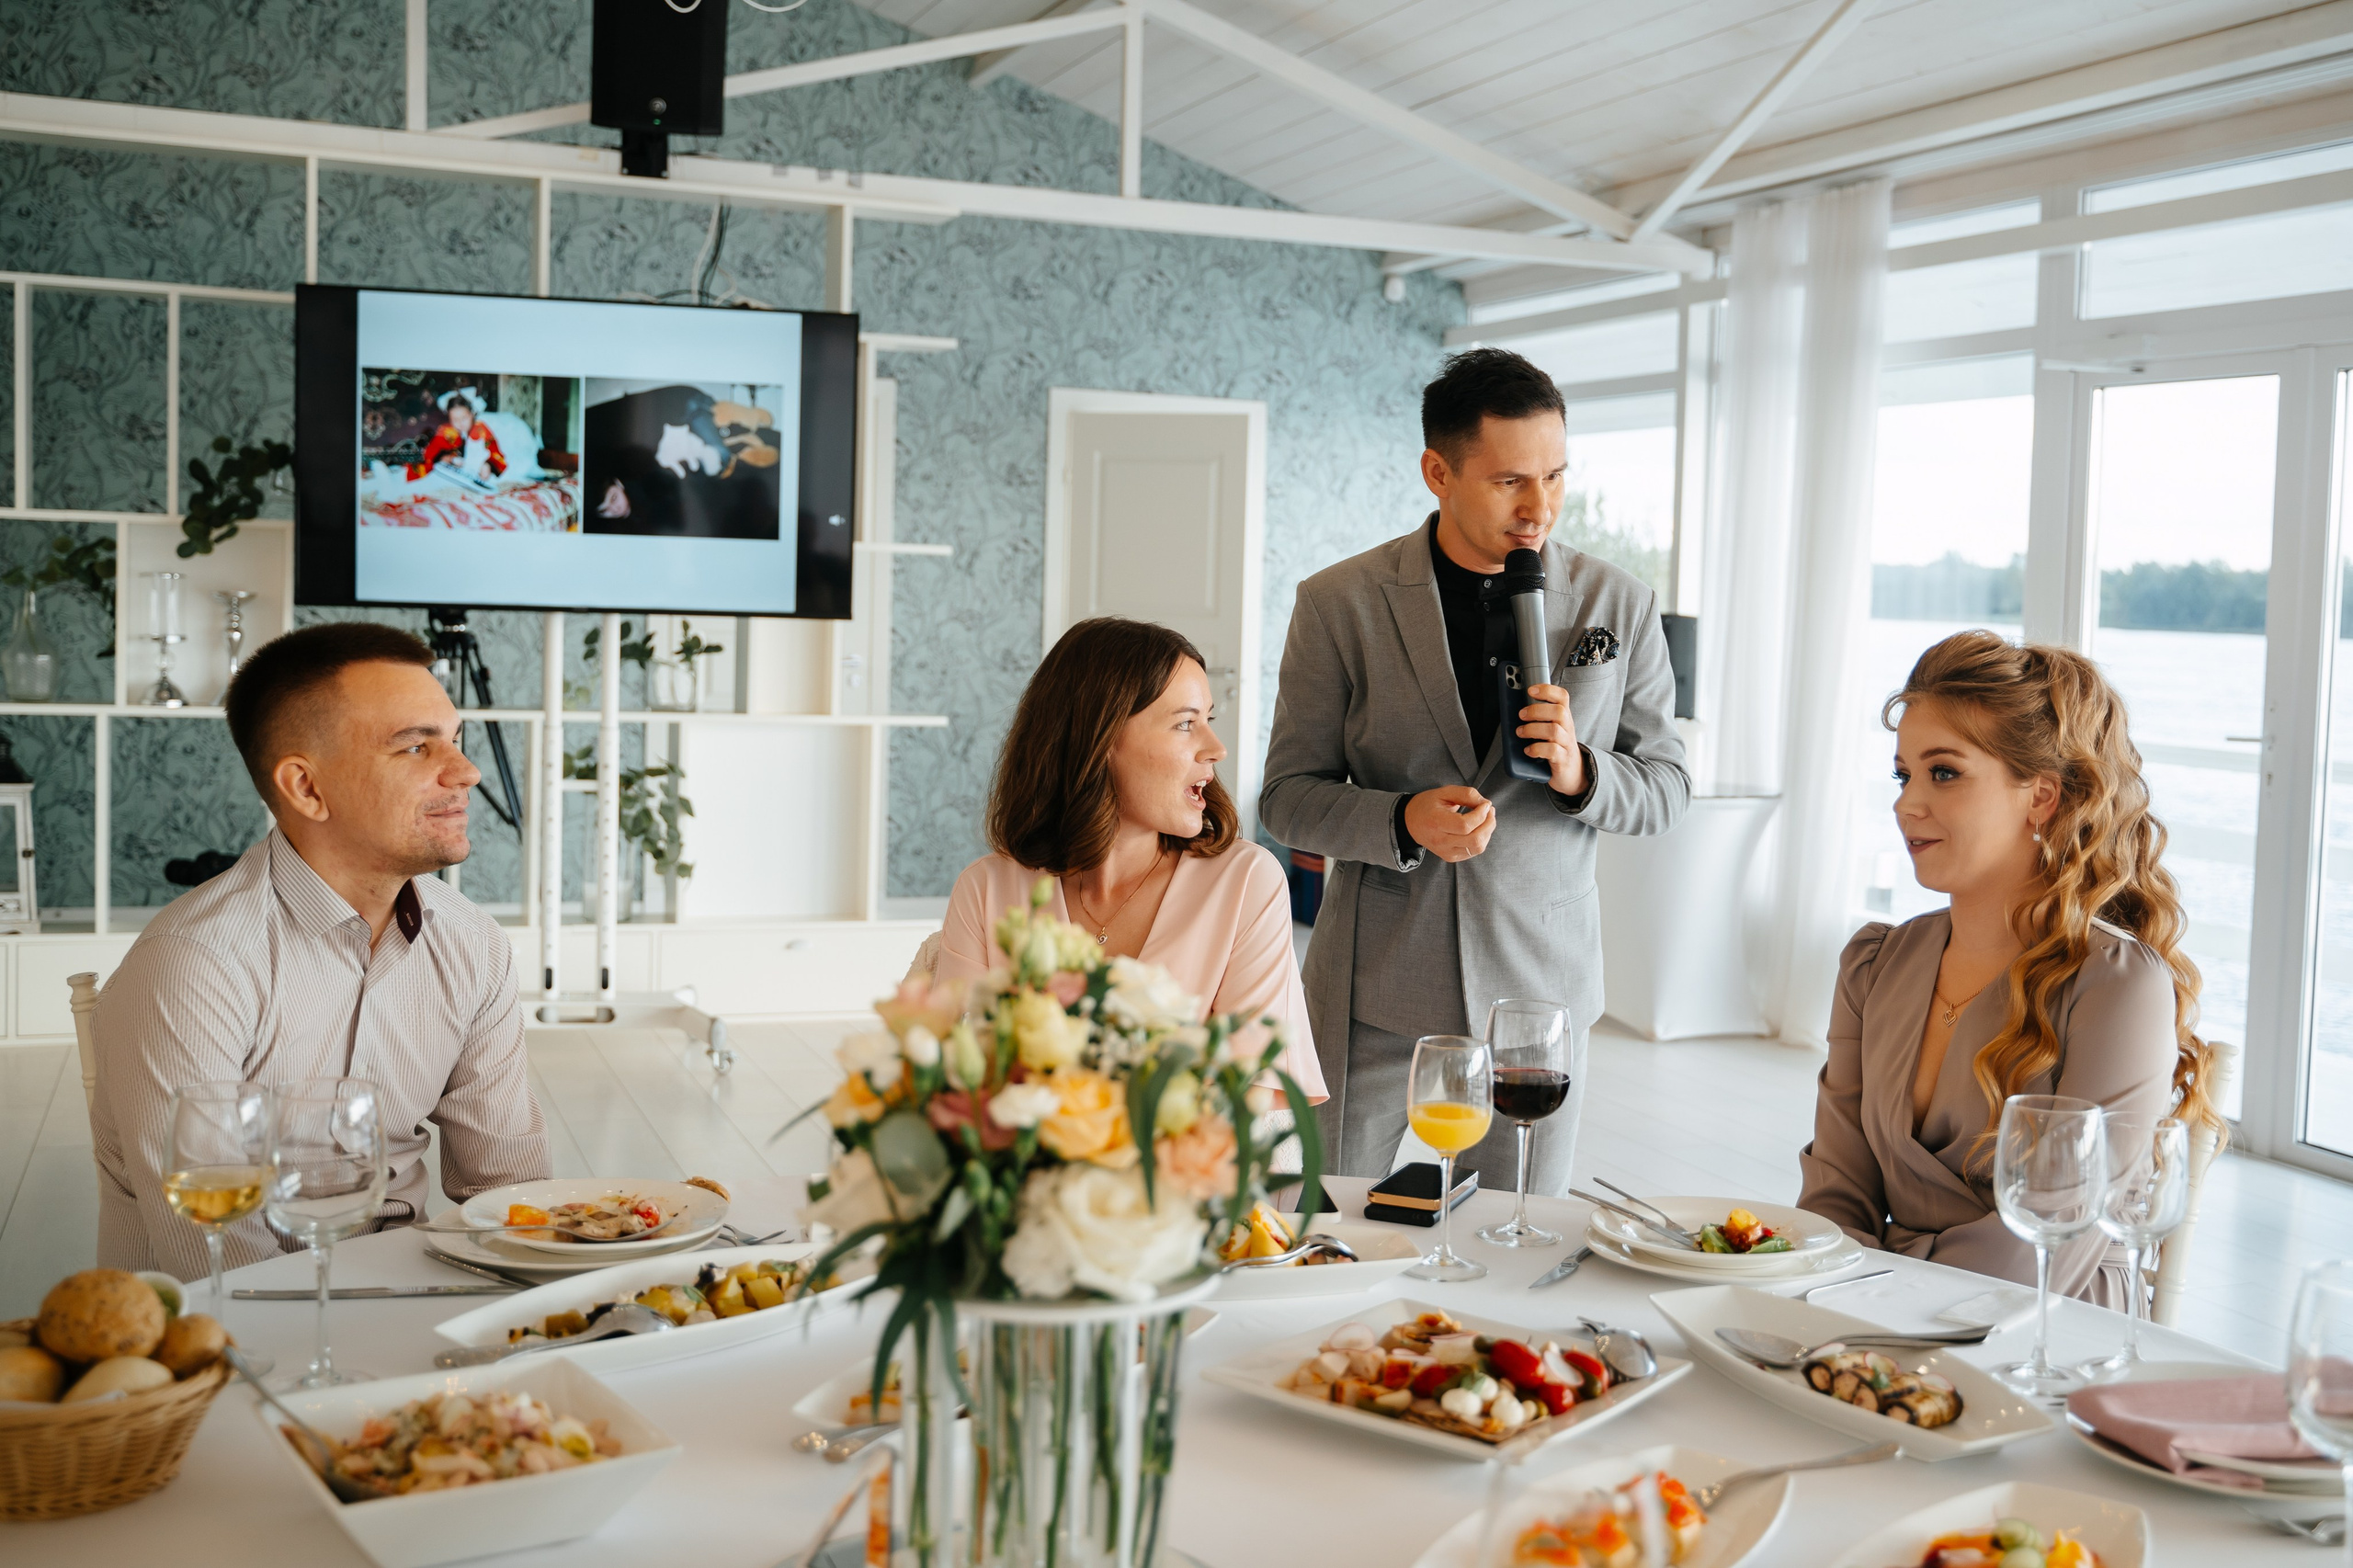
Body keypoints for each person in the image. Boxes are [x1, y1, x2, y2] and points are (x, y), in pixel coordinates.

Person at [1261, 347, 1689, 1187]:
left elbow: (1668, 788)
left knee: (1519, 1246)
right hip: (1373, 988)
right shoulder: (1338, 603)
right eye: (1510, 482)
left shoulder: (1620, 604)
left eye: (1557, 477)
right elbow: (1286, 797)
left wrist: (1580, 772)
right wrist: (1398, 820)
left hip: (1540, 997)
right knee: (1322, 1220)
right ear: (1437, 471)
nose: (1540, 508)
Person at [91, 622, 551, 1277]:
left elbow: (511, 1198)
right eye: (417, 747)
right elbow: (219, 1260)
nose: (467, 772)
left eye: (455, 739)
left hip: (411, 1303)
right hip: (221, 1344)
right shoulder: (195, 962)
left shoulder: (473, 943)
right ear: (306, 788)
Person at [1797, 631, 2227, 1306]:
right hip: (1871, 1311)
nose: (1907, 803)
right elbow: (1833, 1198)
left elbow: (2047, 1246)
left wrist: (1872, 1290)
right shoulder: (1874, 965)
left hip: (2053, 1334)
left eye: (1944, 772)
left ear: (2042, 798)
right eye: (1903, 774)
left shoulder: (2117, 987)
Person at [936, 617, 1325, 1098]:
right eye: (1186, 724)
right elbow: (954, 1084)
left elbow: (1256, 1091)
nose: (1216, 749)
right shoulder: (986, 890)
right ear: (1097, 740)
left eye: (1209, 721)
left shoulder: (1246, 882)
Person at [405, 390, 506, 483]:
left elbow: (496, 454)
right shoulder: (448, 431)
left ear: (472, 414)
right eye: (455, 420)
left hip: (478, 476)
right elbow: (431, 453)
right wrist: (446, 458)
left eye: (464, 418)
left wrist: (488, 465)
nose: (460, 423)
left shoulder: (481, 429)